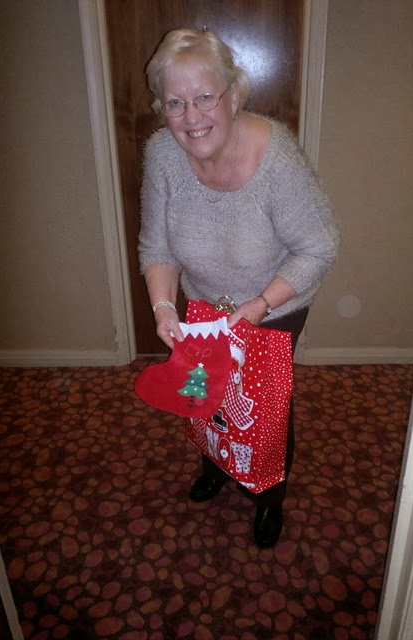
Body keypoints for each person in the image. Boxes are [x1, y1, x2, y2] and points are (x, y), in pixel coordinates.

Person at [138, 27, 339, 548]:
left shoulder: (277, 159)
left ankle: (269, 494)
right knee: (206, 392)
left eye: (205, 97)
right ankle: (217, 465)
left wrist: (259, 305)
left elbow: (318, 248)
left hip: (275, 304)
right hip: (205, 305)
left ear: (233, 94)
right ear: (162, 108)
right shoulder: (162, 154)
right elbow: (156, 246)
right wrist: (164, 307)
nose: (191, 116)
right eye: (175, 102)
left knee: (262, 407)